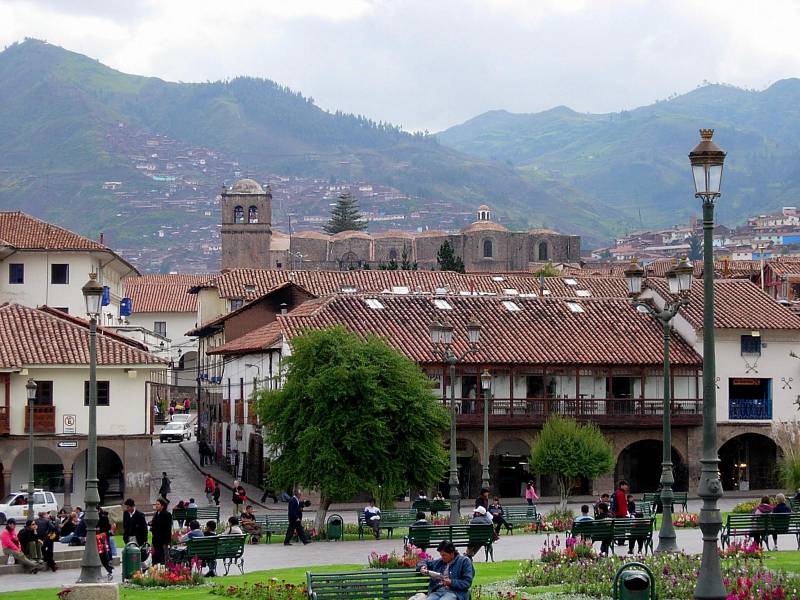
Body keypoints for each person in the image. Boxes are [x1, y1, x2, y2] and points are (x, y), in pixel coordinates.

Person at [150, 498, 172, 565]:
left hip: (163, 541)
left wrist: (167, 542)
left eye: (158, 504)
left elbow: (168, 529)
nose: (156, 506)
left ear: (162, 506)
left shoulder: (167, 514)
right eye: (156, 504)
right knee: (155, 558)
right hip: (155, 540)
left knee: (163, 558)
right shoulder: (156, 514)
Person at [97, 510, 114, 580]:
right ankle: (109, 568)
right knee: (103, 554)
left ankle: (109, 569)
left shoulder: (102, 518)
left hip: (100, 537)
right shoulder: (102, 517)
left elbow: (107, 528)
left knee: (103, 554)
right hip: (100, 537)